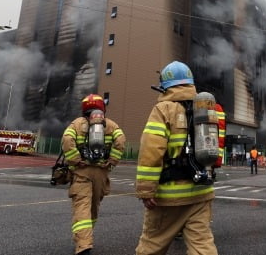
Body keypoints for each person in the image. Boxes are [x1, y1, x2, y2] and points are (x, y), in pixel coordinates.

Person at [135, 61, 218, 255]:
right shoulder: (203, 108)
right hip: (201, 192)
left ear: (165, 85)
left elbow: (151, 150)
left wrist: (146, 190)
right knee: (203, 247)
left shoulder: (163, 109)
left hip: (169, 196)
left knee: (151, 246)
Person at [61, 93, 126, 255]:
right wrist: (111, 162)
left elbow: (67, 140)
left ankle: (83, 245)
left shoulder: (77, 124)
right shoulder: (110, 125)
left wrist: (76, 160)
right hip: (101, 173)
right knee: (93, 207)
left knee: (81, 206)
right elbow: (121, 141)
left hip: (82, 172)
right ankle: (86, 238)